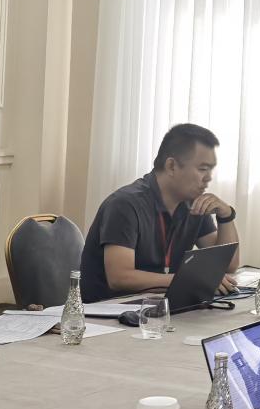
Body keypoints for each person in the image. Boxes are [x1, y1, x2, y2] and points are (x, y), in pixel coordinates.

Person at [79, 123, 240, 303]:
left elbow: (228, 266)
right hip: (109, 310)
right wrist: (190, 280)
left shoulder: (192, 203)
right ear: (171, 166)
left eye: (211, 169)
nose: (209, 178)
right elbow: (120, 278)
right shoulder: (124, 205)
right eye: (202, 169)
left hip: (158, 305)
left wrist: (226, 216)